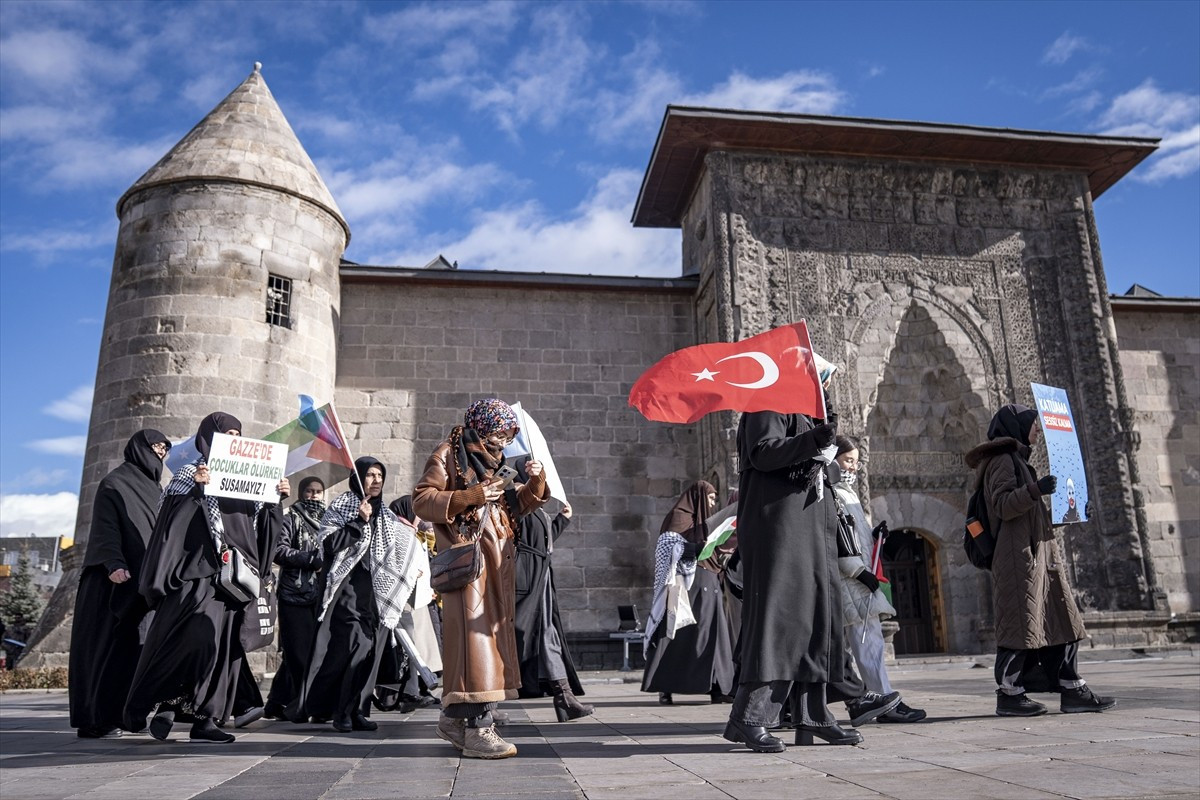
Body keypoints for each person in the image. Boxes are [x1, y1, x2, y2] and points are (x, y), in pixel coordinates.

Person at [723, 399, 893, 752]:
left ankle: (813, 714)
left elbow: (820, 471)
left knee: (814, 619)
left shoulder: (803, 413)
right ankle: (750, 716)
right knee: (780, 621)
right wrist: (814, 440)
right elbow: (763, 452)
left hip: (812, 530)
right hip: (779, 529)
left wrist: (823, 438)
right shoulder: (767, 402)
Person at [123, 412, 286, 744]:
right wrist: (197, 491)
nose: (236, 438)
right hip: (197, 574)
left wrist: (275, 500)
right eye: (229, 433)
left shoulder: (248, 481)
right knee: (189, 639)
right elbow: (168, 525)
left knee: (222, 646)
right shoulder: (189, 473)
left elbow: (258, 530)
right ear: (210, 436)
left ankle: (205, 719)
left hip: (235, 576)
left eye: (240, 433)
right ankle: (163, 704)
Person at [414, 398, 550, 760]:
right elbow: (422, 500)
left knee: (485, 639)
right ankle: (478, 727)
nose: (503, 443)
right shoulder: (449, 453)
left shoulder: (494, 463)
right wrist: (471, 495)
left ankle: (455, 718)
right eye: (499, 434)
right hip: (468, 562)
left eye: (508, 437)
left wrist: (535, 481)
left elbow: (513, 506)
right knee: (474, 645)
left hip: (497, 562)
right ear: (483, 426)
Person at [965, 404, 1116, 716]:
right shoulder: (1002, 460)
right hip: (1018, 561)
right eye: (1033, 424)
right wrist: (1036, 489)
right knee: (1020, 627)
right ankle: (1009, 695)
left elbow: (1030, 518)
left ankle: (1072, 689)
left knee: (1063, 622)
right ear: (1017, 426)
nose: (1038, 430)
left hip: (1037, 559)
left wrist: (1069, 516)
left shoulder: (1018, 461)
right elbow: (1005, 506)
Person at [288, 457, 422, 732]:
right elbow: (329, 545)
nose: (375, 480)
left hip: (374, 594)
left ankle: (358, 709)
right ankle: (341, 712)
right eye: (370, 475)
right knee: (354, 646)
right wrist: (358, 523)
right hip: (344, 589)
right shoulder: (342, 506)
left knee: (370, 651)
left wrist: (409, 567)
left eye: (379, 475)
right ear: (359, 478)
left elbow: (392, 552)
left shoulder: (384, 514)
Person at [70, 429, 170, 738]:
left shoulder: (157, 489)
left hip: (144, 583)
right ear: (139, 447)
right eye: (155, 446)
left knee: (135, 651)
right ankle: (96, 718)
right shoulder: (114, 483)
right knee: (105, 651)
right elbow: (106, 527)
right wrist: (113, 563)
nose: (161, 453)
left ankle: (126, 715)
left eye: (165, 449)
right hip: (112, 582)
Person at [831, 436, 926, 723]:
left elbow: (853, 537)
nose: (854, 467)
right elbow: (835, 538)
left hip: (857, 577)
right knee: (868, 644)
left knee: (855, 647)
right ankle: (884, 702)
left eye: (857, 461)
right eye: (848, 460)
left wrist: (874, 536)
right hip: (851, 580)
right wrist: (858, 571)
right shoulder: (831, 492)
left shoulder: (847, 492)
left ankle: (868, 701)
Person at [641, 480, 736, 706]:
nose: (713, 504)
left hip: (708, 583)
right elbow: (669, 549)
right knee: (676, 635)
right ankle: (665, 686)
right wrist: (697, 548)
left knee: (712, 635)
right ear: (699, 497)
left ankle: (717, 687)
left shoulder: (705, 522)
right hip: (685, 587)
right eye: (710, 499)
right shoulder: (679, 518)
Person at [511, 463, 591, 721]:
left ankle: (564, 696)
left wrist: (562, 520)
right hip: (524, 580)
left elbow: (543, 542)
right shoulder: (515, 501)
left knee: (548, 636)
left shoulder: (536, 506)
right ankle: (486, 706)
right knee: (514, 640)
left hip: (540, 579)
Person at [264, 476, 326, 719]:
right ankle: (301, 706)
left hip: (319, 595)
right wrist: (311, 560)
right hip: (293, 594)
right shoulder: (290, 518)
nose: (313, 496)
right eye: (309, 491)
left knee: (305, 652)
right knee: (298, 652)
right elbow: (279, 551)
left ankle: (276, 703)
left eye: (318, 491)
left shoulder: (328, 520)